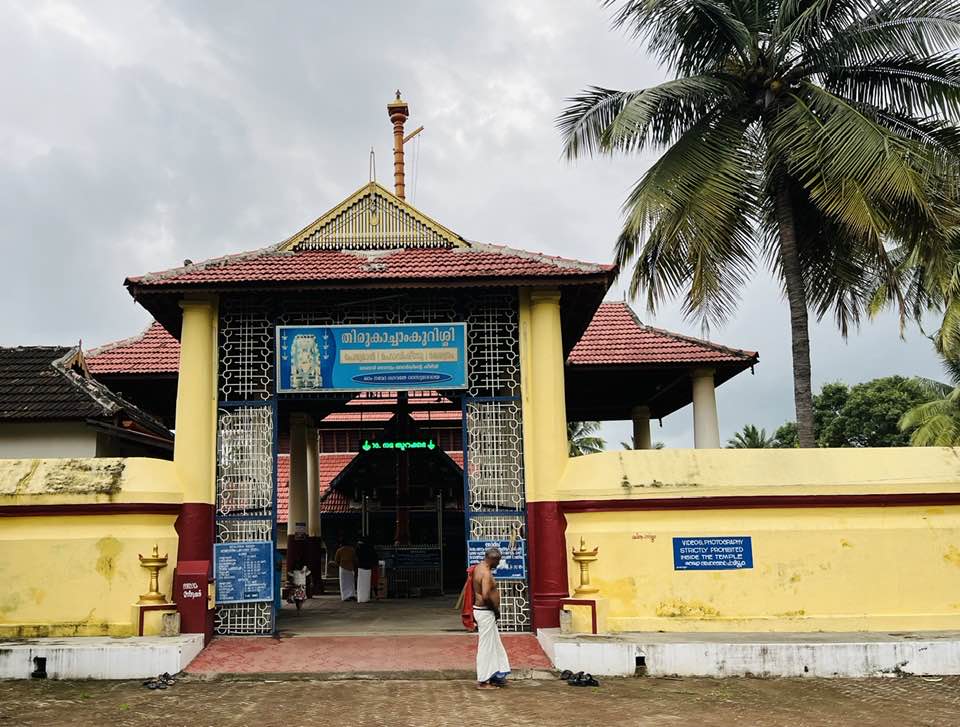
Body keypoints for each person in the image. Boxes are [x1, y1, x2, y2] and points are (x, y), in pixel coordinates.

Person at [472, 547, 511, 689]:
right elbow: (486, 595)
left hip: (482, 611)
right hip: (485, 611)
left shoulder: (478, 567)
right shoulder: (486, 573)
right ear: (493, 559)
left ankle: (497, 675)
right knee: (486, 646)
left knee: (495, 644)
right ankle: (483, 681)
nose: (498, 564)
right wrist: (495, 610)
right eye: (498, 561)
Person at [356, 538, 377, 603]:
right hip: (368, 568)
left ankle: (360, 598)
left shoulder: (359, 549)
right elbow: (374, 557)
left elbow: (356, 556)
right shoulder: (370, 548)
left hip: (360, 568)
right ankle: (366, 598)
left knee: (360, 584)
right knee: (367, 584)